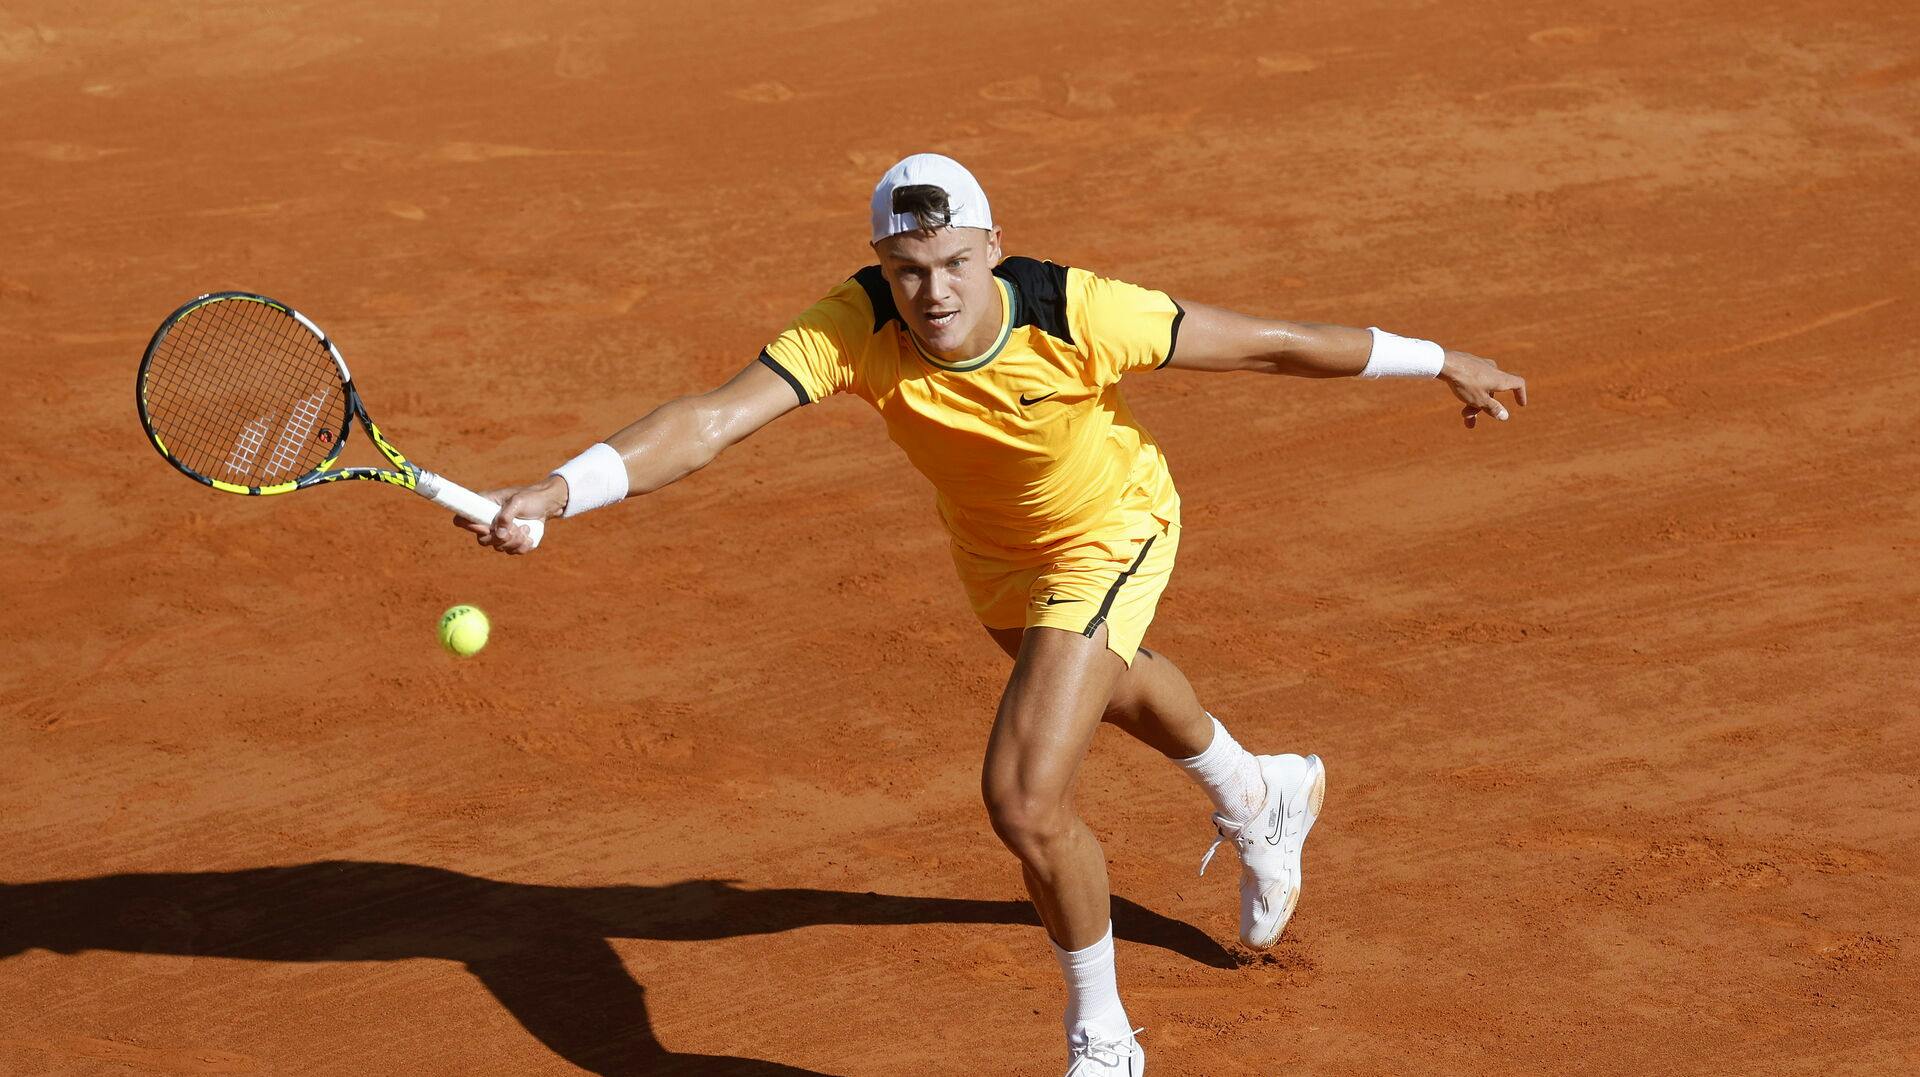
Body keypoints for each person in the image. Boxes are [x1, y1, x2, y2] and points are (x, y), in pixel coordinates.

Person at [459, 153, 1527, 1075]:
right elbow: (710, 420)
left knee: (1023, 797)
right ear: (882, 265)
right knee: (1109, 685)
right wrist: (559, 490)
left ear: (993, 249)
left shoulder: (1078, 311)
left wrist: (1442, 360)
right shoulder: (855, 323)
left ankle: (1104, 1038)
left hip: (1112, 529)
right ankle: (1260, 790)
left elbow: (1272, 343)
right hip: (997, 558)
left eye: (955, 264)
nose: (933, 293)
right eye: (907, 270)